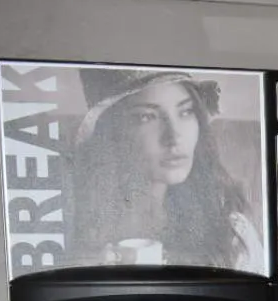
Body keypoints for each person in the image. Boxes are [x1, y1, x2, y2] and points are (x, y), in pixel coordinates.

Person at [70, 68, 263, 272]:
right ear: (113, 133)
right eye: (147, 117)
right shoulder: (73, 222)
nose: (174, 136)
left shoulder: (230, 234)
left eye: (185, 112)